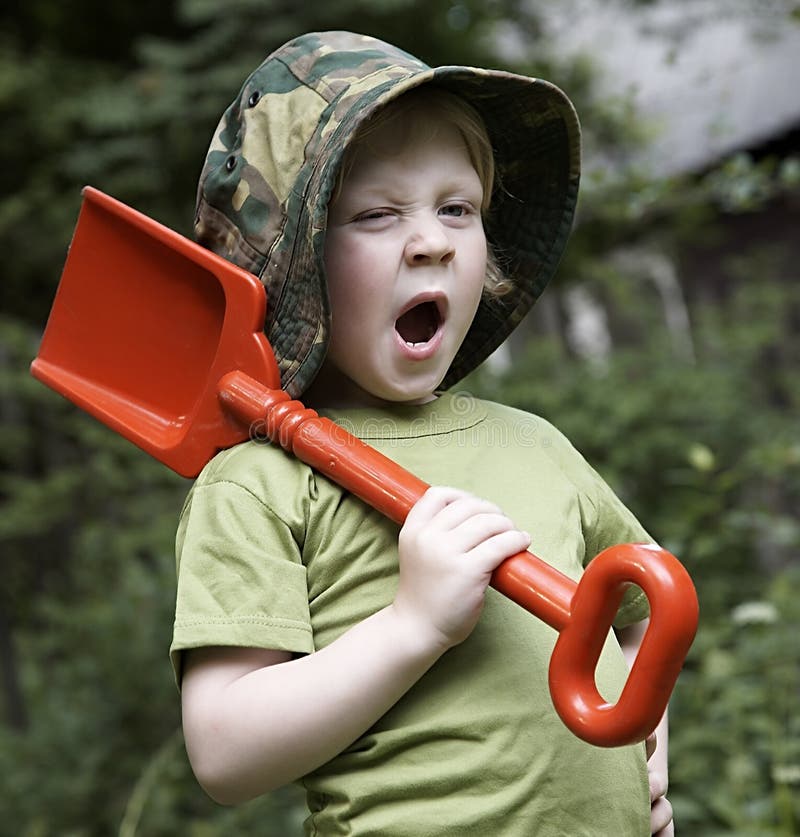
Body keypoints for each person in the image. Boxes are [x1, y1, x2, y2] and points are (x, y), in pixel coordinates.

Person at [170, 31, 673, 836]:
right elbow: (226, 751)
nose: (435, 239)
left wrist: (647, 739)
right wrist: (414, 624)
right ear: (294, 265)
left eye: (457, 208)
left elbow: (642, 607)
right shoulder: (258, 483)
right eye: (377, 213)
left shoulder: (533, 443)